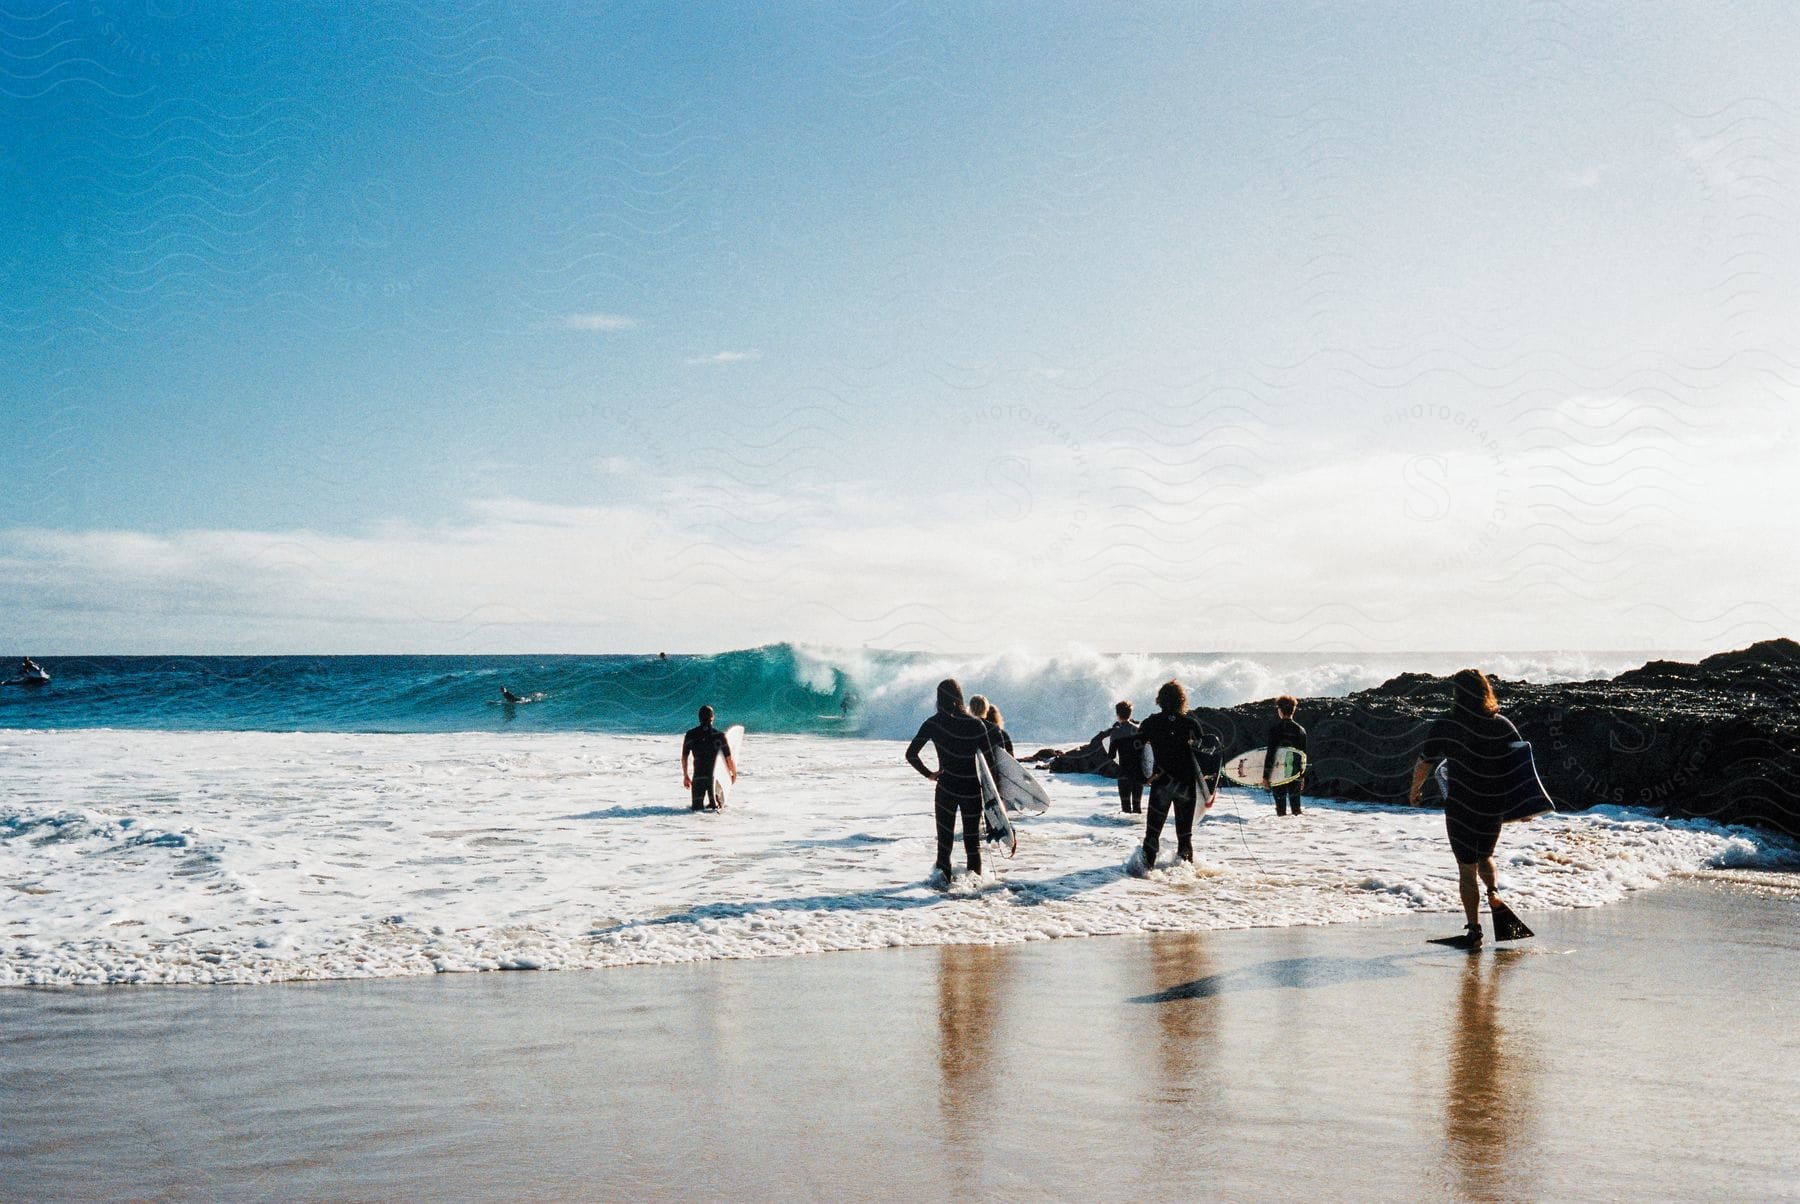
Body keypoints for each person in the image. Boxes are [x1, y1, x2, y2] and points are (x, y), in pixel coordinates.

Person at [1407, 668, 1523, 948]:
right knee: (1486, 856)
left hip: (1461, 804)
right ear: (1486, 691)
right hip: (1493, 805)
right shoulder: (1501, 724)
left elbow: (1425, 761)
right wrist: (1524, 805)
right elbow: (1522, 764)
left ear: (1457, 694)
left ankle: (1474, 933)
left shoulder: (1447, 723)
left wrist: (1415, 791)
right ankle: (1494, 892)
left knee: (1466, 869)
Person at [906, 678, 998, 886]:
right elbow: (989, 764)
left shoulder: (932, 723)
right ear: (960, 697)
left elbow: (911, 754)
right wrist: (994, 796)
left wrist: (929, 774)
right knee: (972, 844)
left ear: (938, 699)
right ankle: (975, 889)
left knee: (944, 844)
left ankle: (942, 888)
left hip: (946, 788)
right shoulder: (976, 724)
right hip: (971, 789)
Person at [1135, 680, 1217, 871]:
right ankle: (1185, 875)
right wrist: (1208, 788)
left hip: (1161, 782)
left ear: (1160, 700)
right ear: (1182, 700)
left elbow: (1136, 750)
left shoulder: (1150, 723)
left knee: (1153, 833)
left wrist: (1143, 776)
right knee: (1185, 834)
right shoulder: (1190, 723)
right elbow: (1205, 755)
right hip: (1185, 785)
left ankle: (1144, 873)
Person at [1091, 700, 1144, 814]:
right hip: (1138, 774)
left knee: (1125, 809)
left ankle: (1124, 830)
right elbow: (1144, 753)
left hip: (1124, 773)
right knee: (1137, 808)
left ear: (1118, 715)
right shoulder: (1138, 730)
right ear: (1130, 714)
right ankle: (1136, 830)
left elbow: (1112, 755)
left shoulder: (1116, 732)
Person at [681, 704, 737, 811]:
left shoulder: (690, 734)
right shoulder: (719, 736)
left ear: (699, 718)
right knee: (715, 810)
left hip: (698, 778)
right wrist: (733, 773)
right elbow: (728, 758)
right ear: (712, 717)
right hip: (714, 779)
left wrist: (686, 776)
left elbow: (684, 757)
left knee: (696, 810)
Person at [1263, 694, 1307, 816]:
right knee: (1296, 809)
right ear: (1294, 710)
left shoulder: (1275, 729)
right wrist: (1302, 776)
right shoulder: (1301, 730)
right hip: (1294, 772)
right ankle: (1299, 832)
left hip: (1278, 772)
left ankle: (1282, 833)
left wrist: (1266, 776)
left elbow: (1271, 754)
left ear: (1280, 711)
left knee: (1281, 810)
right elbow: (1303, 756)